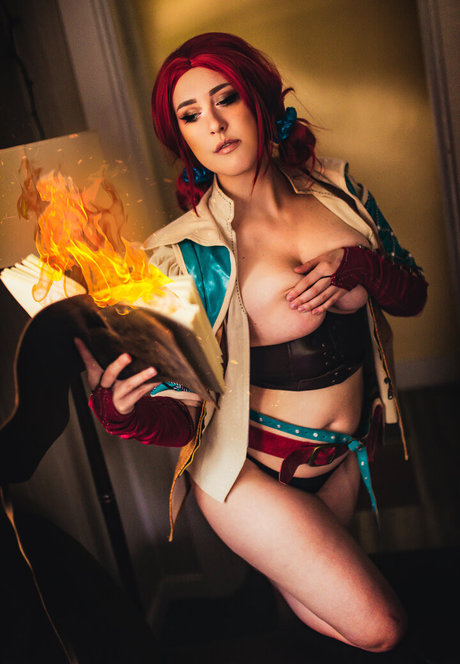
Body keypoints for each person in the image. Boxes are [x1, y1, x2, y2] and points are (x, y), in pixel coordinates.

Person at [76, 32, 428, 652]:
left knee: (317, 617)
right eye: (190, 115)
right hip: (250, 478)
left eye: (226, 99)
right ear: (181, 138)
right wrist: (123, 414)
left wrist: (363, 267)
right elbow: (185, 414)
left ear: (259, 101)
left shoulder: (342, 191)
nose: (213, 124)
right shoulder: (181, 255)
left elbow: (413, 294)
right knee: (382, 628)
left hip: (344, 455)